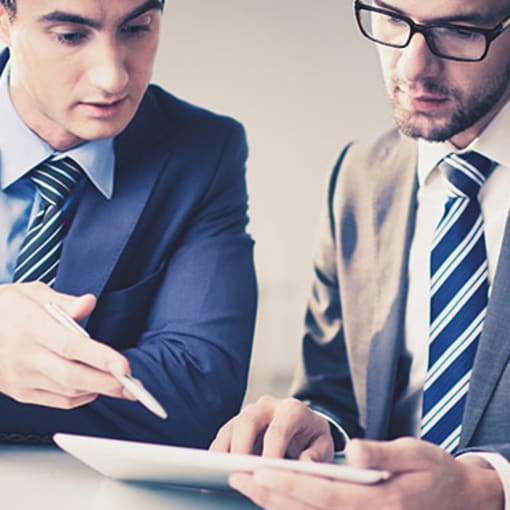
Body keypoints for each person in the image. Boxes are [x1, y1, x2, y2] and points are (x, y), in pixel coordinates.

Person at [211, 0, 510, 507]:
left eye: (460, 30)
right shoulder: (360, 177)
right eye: (392, 19)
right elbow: (332, 392)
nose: (414, 66)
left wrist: (489, 489)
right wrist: (316, 429)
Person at [0, 0, 257, 448]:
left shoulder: (203, 152)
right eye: (70, 36)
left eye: (137, 28)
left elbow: (198, 394)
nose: (112, 77)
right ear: (5, 21)